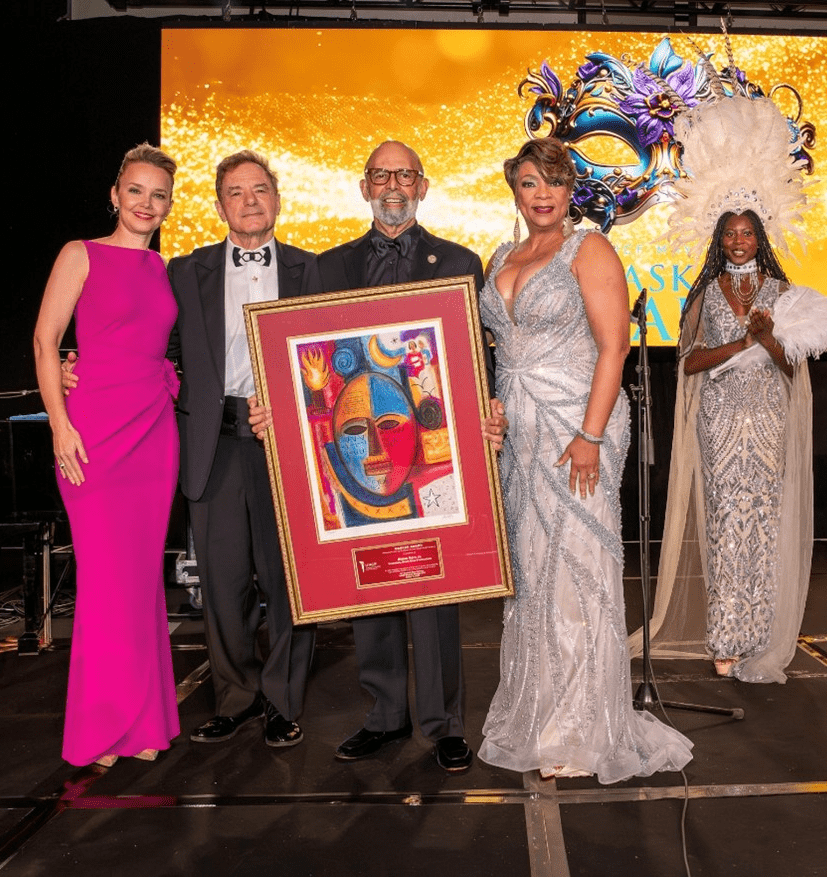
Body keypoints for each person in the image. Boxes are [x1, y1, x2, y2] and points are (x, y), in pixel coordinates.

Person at [638, 60, 827, 685]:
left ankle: (758, 636)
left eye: (749, 232)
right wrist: (735, 345)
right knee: (727, 526)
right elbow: (688, 361)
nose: (741, 240)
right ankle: (724, 635)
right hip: (721, 422)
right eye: (731, 233)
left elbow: (790, 363)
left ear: (760, 235)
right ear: (718, 238)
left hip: (768, 420)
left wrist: (769, 338)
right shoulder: (704, 294)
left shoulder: (781, 290)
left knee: (763, 527)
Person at [67, 150, 322, 745]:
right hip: (212, 443)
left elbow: (328, 360)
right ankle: (235, 696)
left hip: (285, 442)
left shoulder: (312, 271)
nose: (250, 202)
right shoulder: (183, 272)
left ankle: (283, 702)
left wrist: (290, 407)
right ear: (218, 206)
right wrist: (76, 363)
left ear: (278, 199)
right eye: (236, 192)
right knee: (223, 583)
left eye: (260, 190)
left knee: (289, 583)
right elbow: (147, 341)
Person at [477, 137, 693, 783]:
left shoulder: (590, 247)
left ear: (571, 189)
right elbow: (497, 350)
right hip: (520, 430)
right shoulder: (502, 254)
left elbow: (613, 349)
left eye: (551, 182)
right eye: (526, 183)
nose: (540, 194)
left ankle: (578, 727)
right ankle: (540, 711)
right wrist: (493, 408)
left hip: (578, 424)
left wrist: (591, 434)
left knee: (575, 571)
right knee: (535, 574)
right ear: (513, 189)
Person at [318, 140, 506, 774]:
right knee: (369, 583)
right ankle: (384, 715)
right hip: (360, 457)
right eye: (380, 174)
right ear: (363, 185)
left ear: (422, 187)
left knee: (436, 588)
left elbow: (476, 357)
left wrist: (488, 409)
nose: (392, 184)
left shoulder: (458, 262)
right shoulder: (329, 268)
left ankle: (444, 723)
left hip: (430, 452)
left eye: (403, 174)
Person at [34, 143, 181, 766]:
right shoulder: (80, 254)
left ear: (168, 206)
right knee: (103, 581)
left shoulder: (164, 268)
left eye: (159, 195)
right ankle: (103, 729)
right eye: (137, 191)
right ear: (115, 194)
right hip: (93, 433)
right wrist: (59, 424)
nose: (146, 203)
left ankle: (144, 725)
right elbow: (46, 340)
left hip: (154, 430)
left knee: (143, 580)